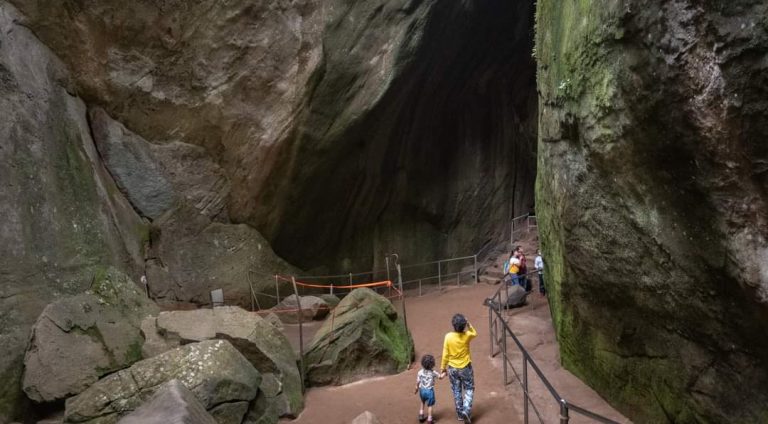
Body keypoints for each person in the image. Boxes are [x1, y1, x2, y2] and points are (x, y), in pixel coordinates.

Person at [440, 314, 477, 423]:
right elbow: (475, 333)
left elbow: (445, 354)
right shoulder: (467, 335)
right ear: (464, 326)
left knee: (456, 390)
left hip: (452, 368)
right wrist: (469, 324)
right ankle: (466, 409)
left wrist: (443, 368)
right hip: (465, 367)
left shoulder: (448, 336)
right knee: (469, 388)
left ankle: (460, 414)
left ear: (453, 325)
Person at [415, 354, 442, 423]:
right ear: (432, 364)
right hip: (429, 391)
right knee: (430, 405)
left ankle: (421, 415)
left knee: (422, 401)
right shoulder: (433, 372)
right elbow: (440, 377)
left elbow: (417, 382)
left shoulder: (420, 372)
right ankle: (430, 419)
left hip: (422, 390)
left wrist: (416, 388)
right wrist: (445, 373)